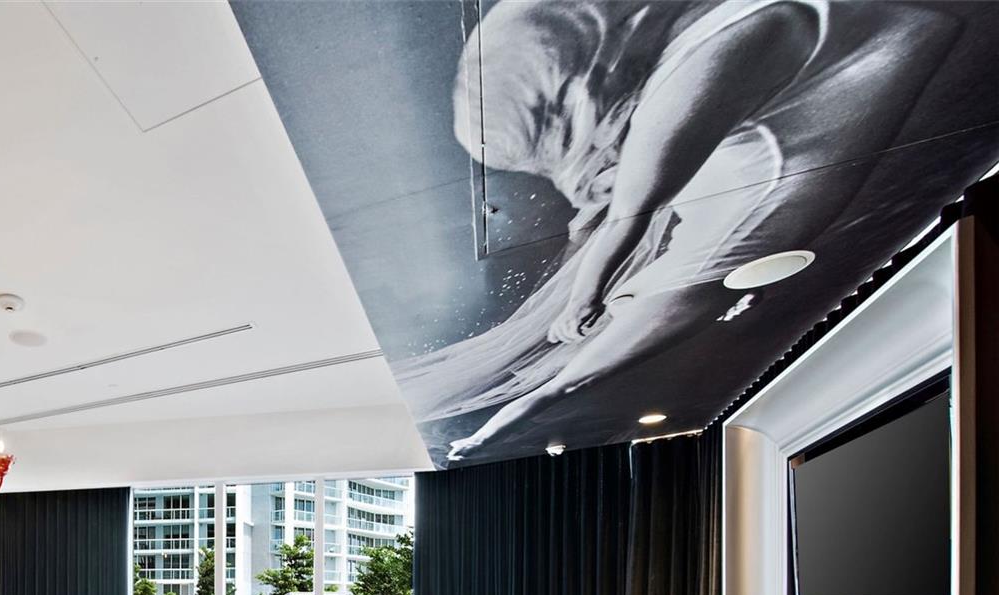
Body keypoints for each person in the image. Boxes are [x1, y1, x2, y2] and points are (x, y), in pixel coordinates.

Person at [393, 0, 958, 458]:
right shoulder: (714, 47)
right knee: (661, 306)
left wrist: (581, 303)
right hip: (784, 164)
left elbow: (630, 218)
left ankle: (525, 410)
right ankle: (523, 411)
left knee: (662, 306)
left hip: (773, 183)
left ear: (569, 94)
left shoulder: (711, 58)